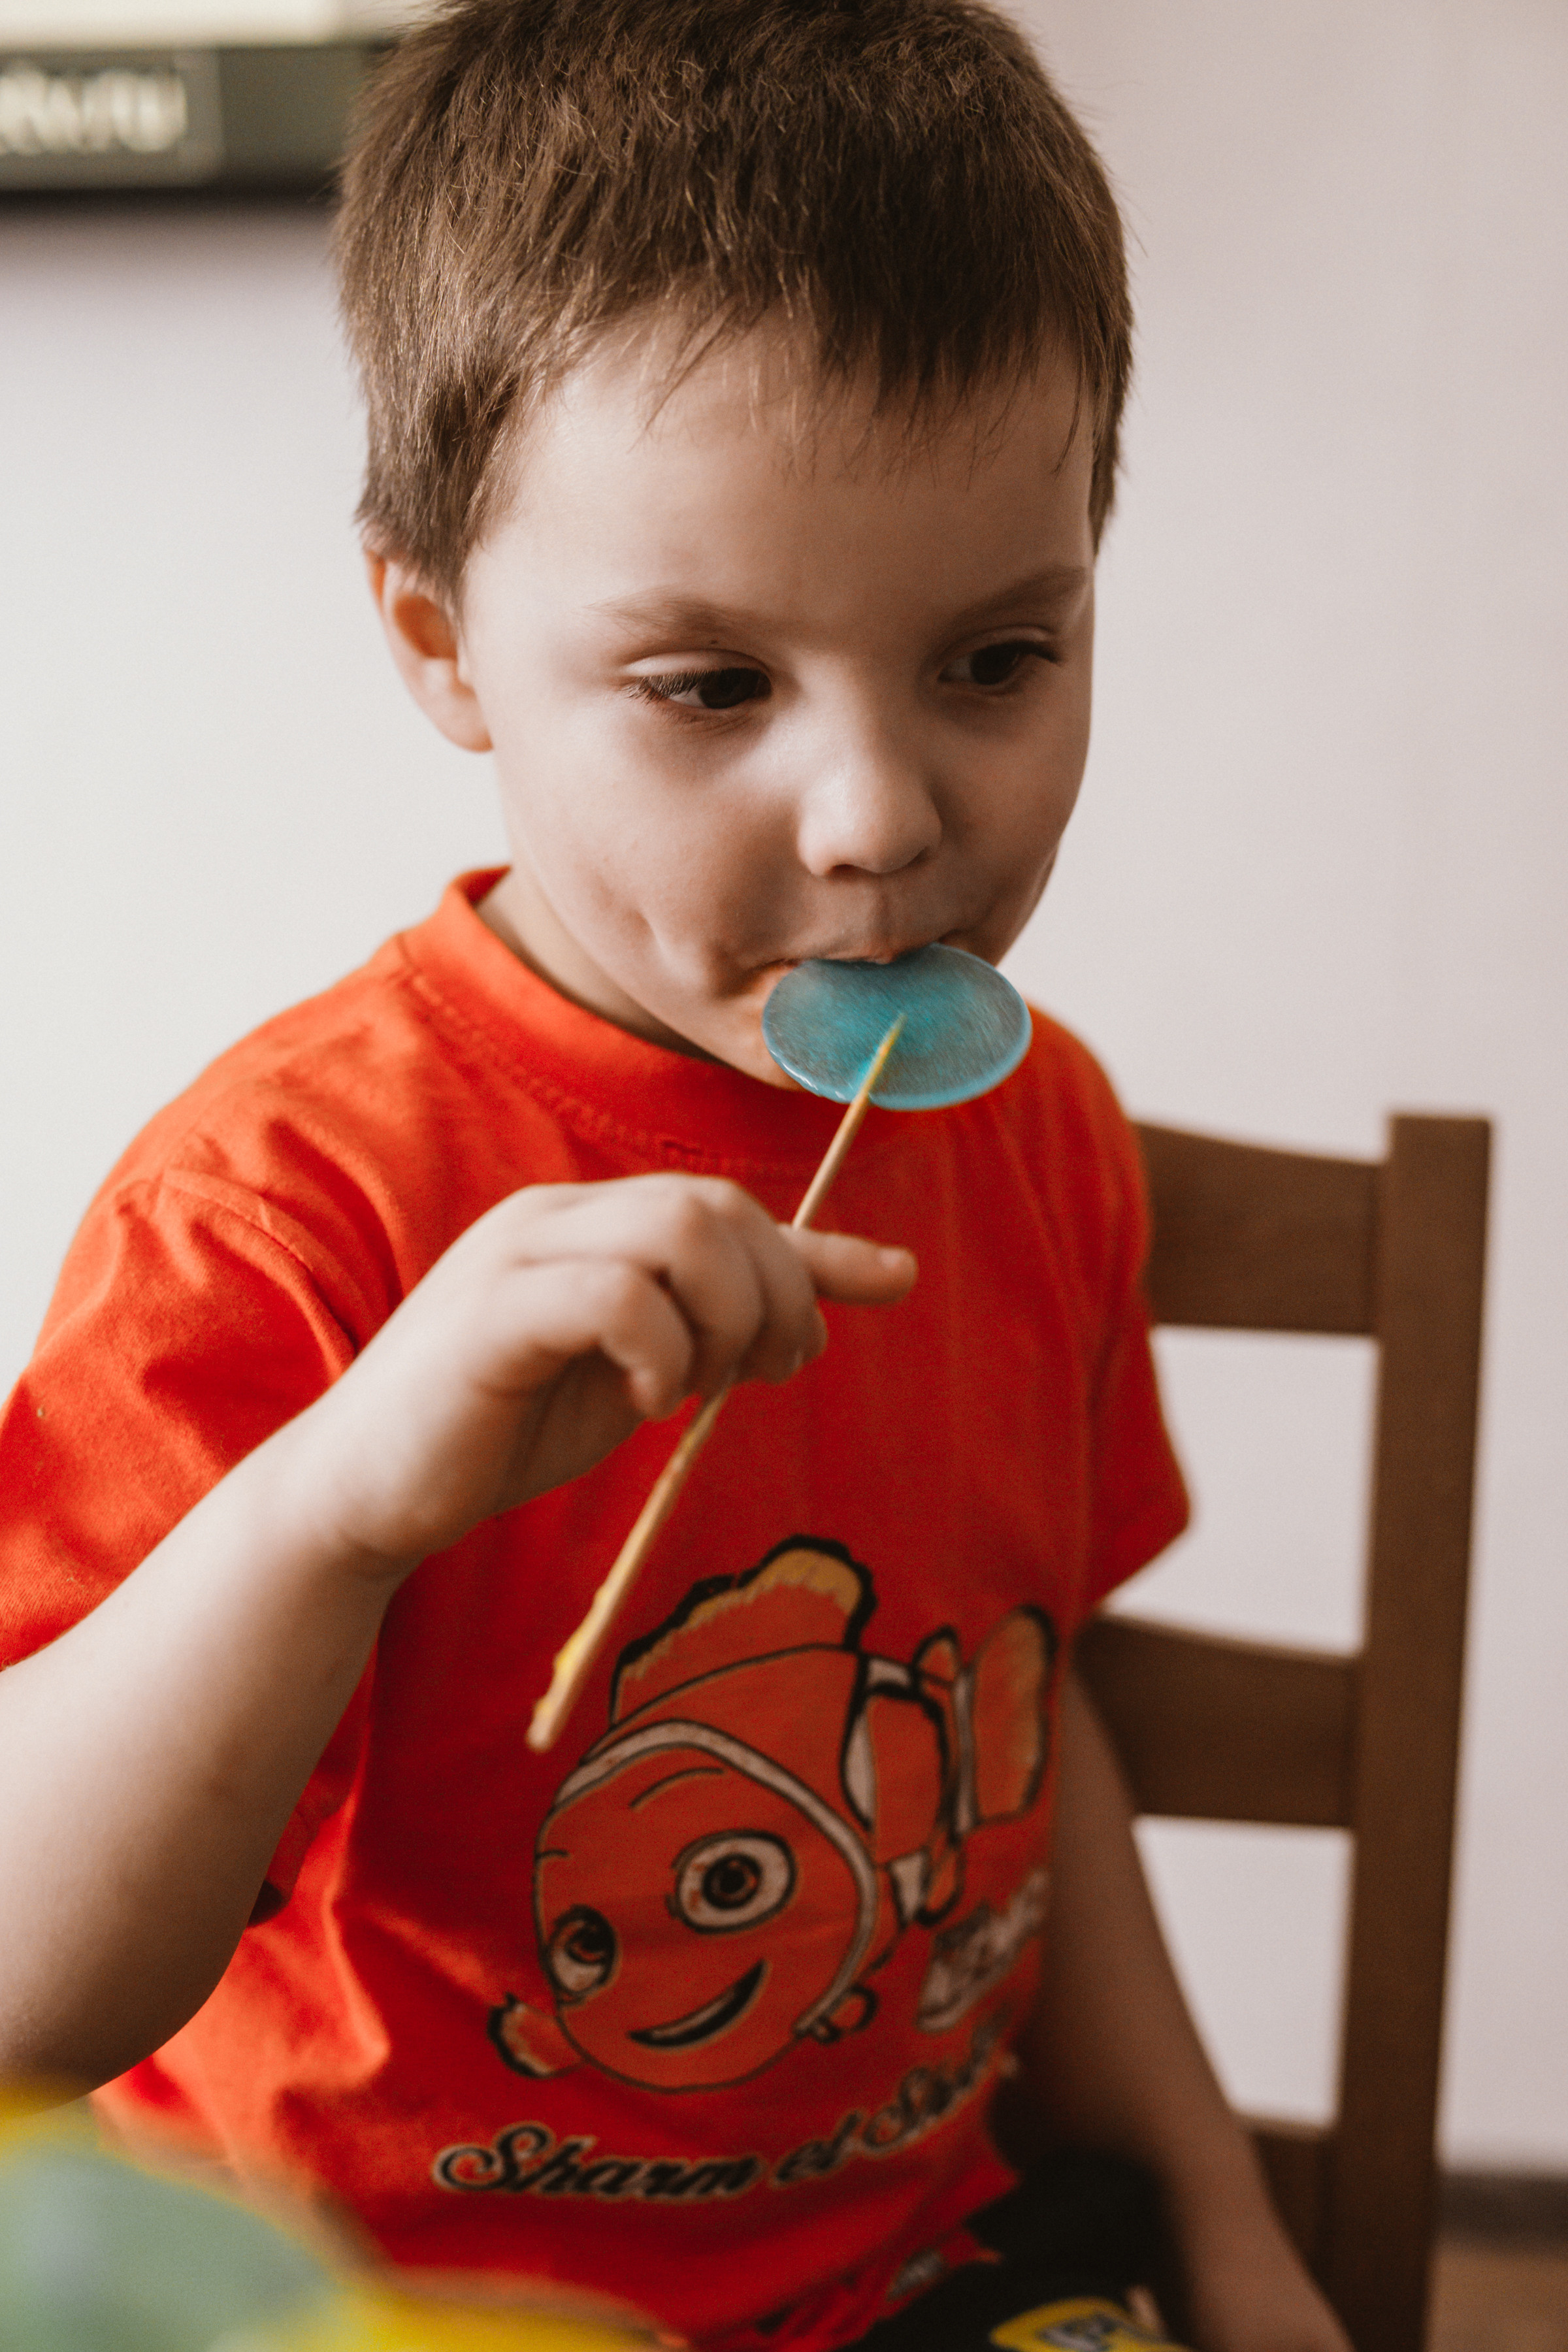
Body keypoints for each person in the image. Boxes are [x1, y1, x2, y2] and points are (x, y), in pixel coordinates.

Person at [0, 5, 1351, 2348]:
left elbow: (1035, 1730)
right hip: (375, 2315)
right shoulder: (279, 1218)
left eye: (996, 657)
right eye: (713, 685)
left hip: (923, 2280)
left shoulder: (1040, 1136)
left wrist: (1229, 2242)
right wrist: (343, 1504)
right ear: (442, 640)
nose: (878, 816)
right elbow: (29, 2004)